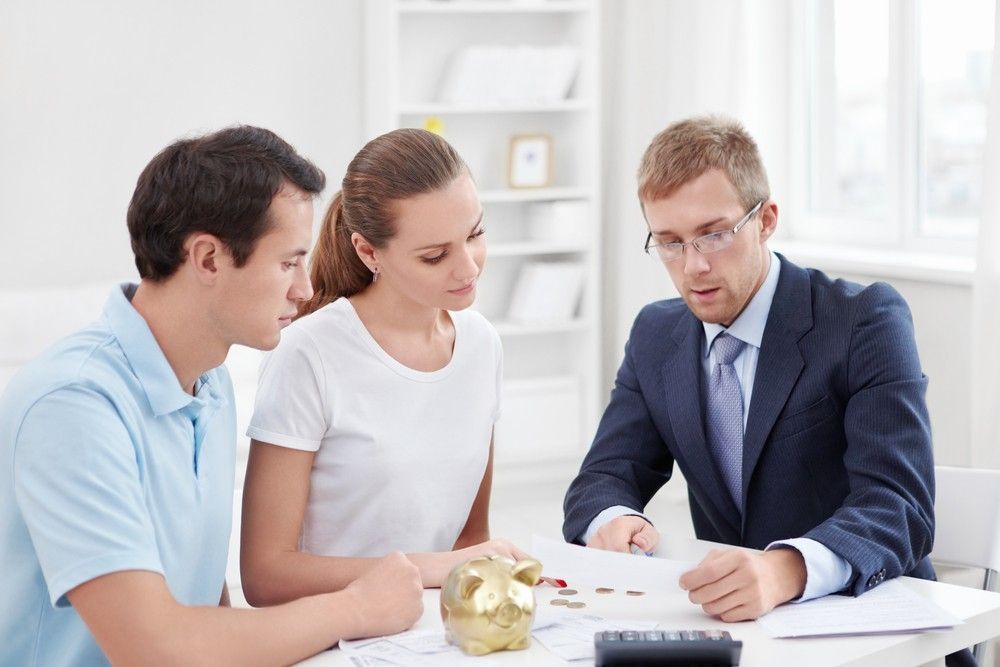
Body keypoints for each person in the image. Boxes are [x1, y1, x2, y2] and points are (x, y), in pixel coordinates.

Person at [0, 126, 423, 666]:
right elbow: (154, 647)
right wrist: (357, 607)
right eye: (288, 261)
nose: (305, 287)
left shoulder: (211, 382)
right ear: (207, 259)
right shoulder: (72, 405)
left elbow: (201, 596)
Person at [563, 115, 939, 620]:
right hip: (739, 631)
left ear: (765, 220)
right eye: (670, 242)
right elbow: (604, 476)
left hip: (872, 625)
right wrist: (613, 519)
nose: (692, 265)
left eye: (713, 234)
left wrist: (785, 569)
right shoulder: (656, 334)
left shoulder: (863, 320)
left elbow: (900, 505)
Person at [240, 128, 526, 606]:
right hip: (327, 635)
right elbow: (266, 577)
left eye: (475, 234)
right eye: (435, 255)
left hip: (427, 630)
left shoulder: (481, 345)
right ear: (368, 251)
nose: (469, 267)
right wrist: (432, 567)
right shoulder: (308, 354)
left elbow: (468, 544)